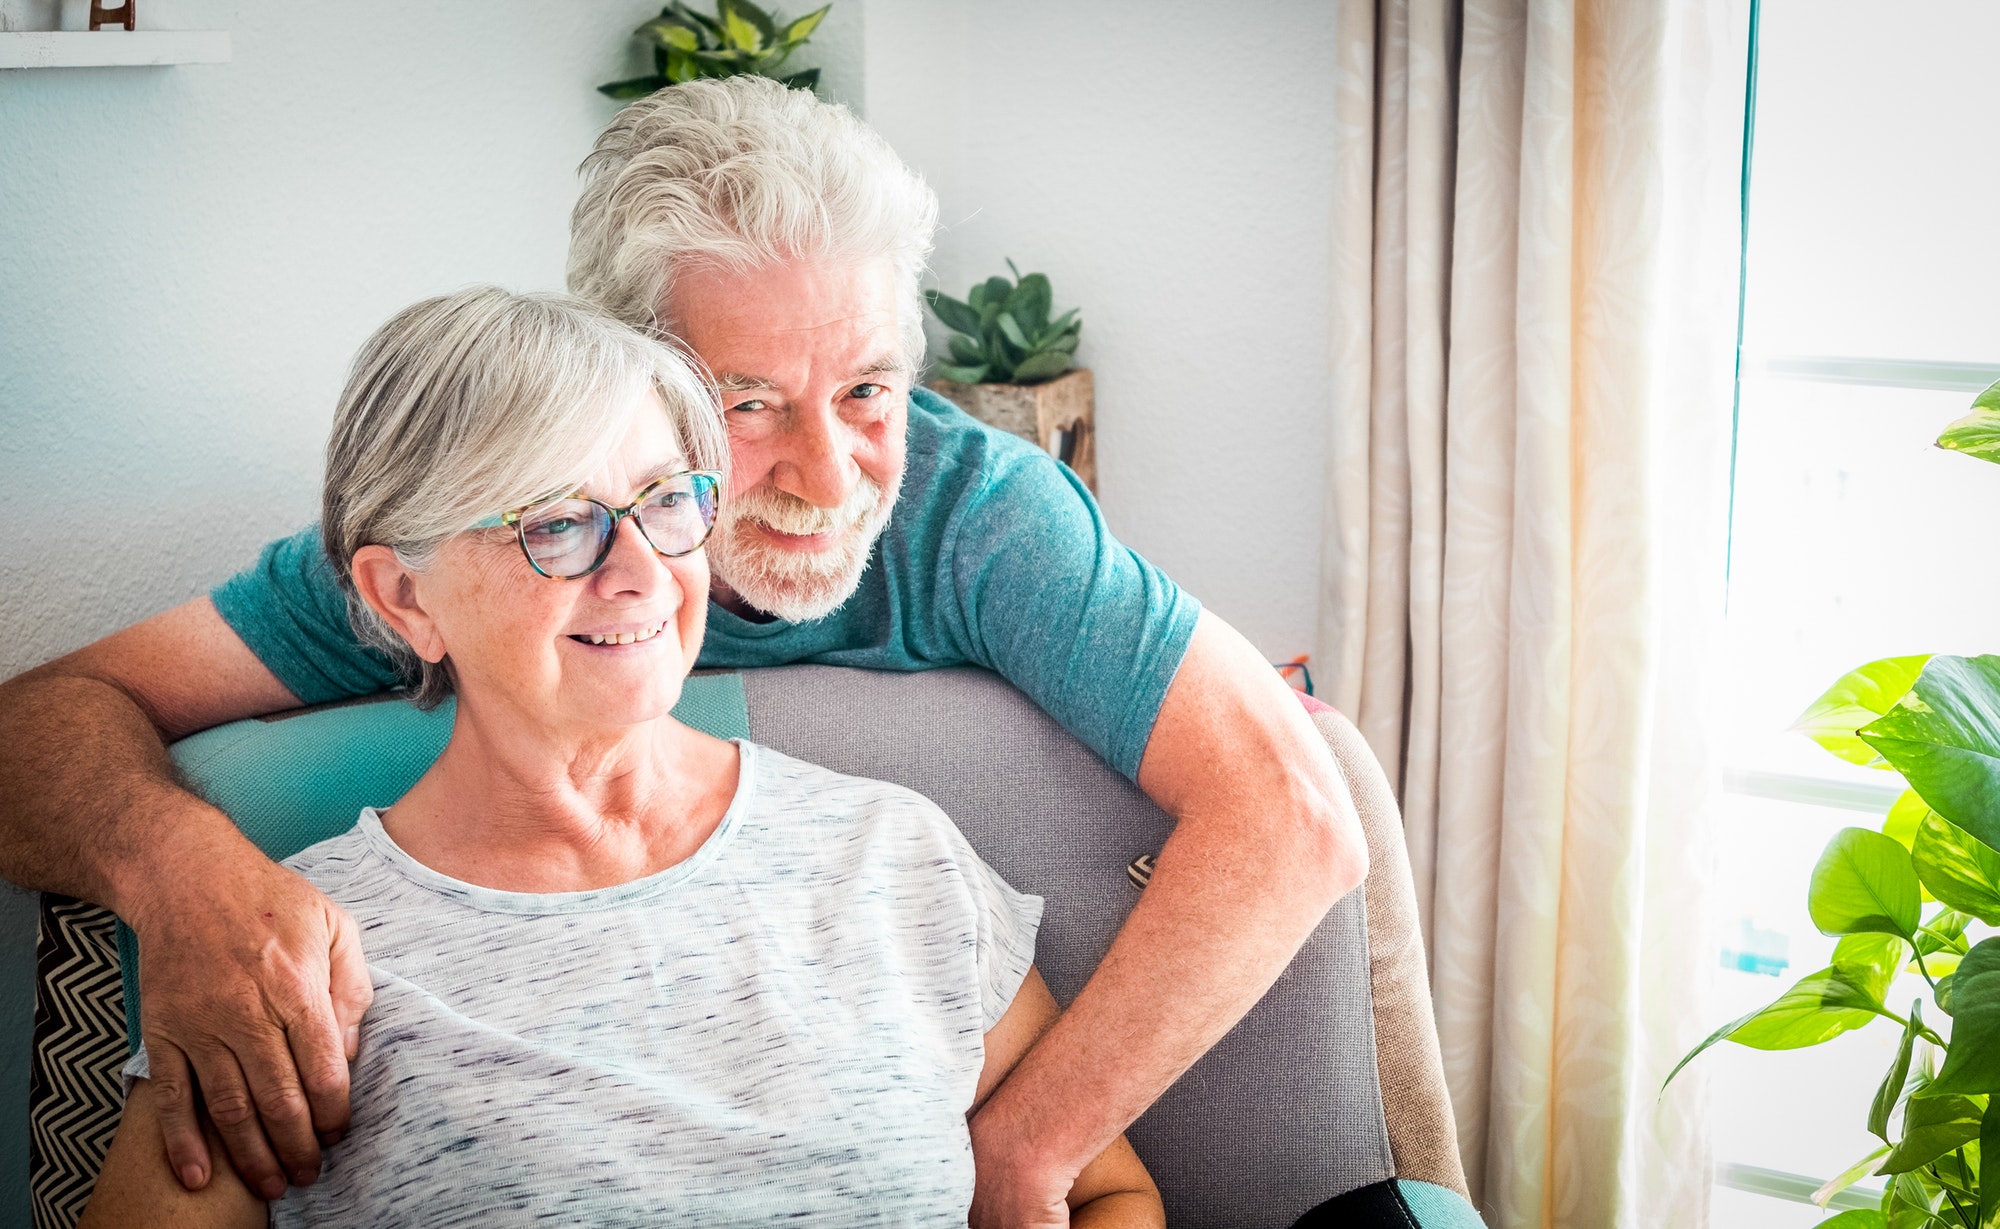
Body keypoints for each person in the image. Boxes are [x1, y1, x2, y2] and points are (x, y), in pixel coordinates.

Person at [0, 77, 1365, 1223]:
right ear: (625, 382)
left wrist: (1018, 1149)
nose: (829, 474)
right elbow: (45, 717)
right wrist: (183, 883)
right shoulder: (454, 547)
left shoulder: (979, 521)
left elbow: (1294, 811)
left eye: (870, 388)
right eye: (750, 402)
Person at [79, 288, 1164, 1228]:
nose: (642, 570)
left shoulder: (891, 853)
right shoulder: (288, 960)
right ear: (403, 595)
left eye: (664, 500)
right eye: (557, 523)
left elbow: (1112, 1193)